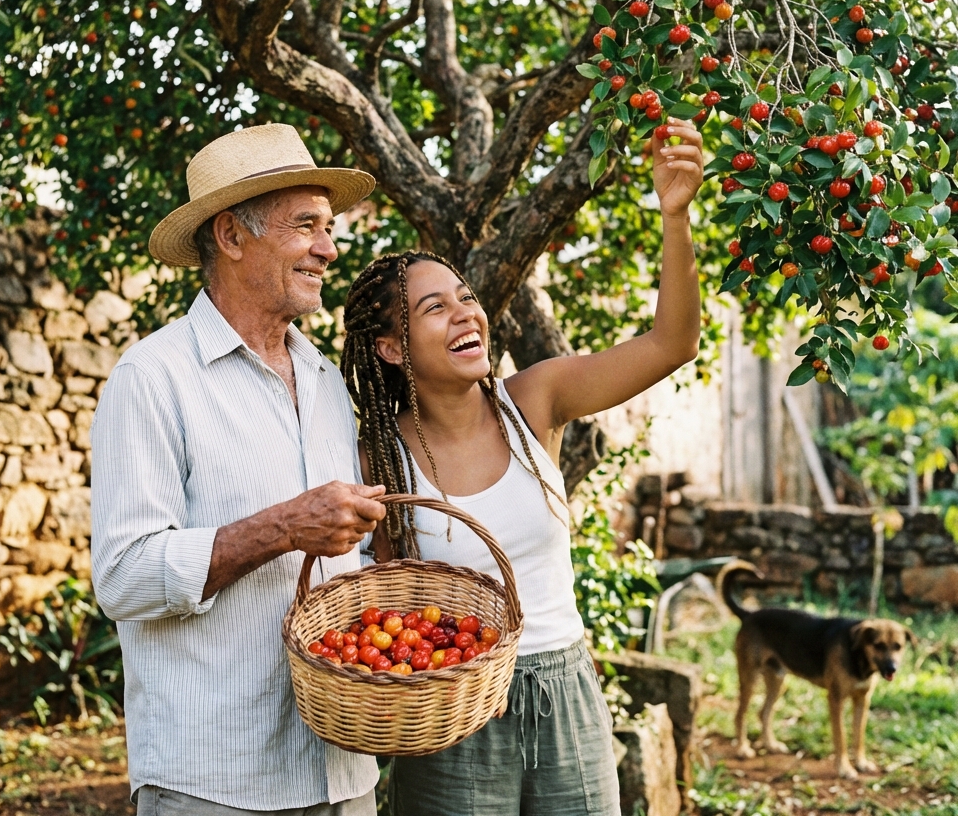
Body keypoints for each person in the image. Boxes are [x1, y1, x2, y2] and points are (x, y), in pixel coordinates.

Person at [339, 118, 704, 816]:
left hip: (567, 692)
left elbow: (672, 343)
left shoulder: (533, 401)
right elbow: (385, 605)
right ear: (391, 348)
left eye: (466, 296)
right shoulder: (379, 461)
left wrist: (676, 217)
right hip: (453, 712)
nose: (463, 312)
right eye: (433, 307)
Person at [91, 124, 388, 816]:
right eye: (306, 226)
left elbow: (346, 562)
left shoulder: (324, 381)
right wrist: (285, 525)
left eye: (329, 226)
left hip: (341, 770)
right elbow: (124, 576)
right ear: (230, 236)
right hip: (216, 779)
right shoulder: (153, 378)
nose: (328, 248)